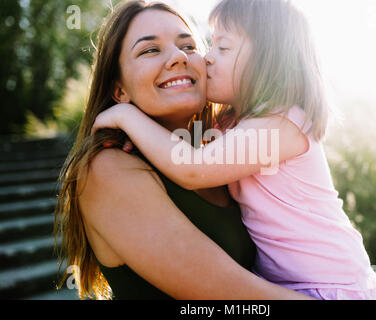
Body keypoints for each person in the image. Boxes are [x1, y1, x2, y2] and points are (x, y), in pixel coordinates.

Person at [92, 0, 376, 300]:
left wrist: (126, 118)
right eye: (150, 50)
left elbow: (193, 167)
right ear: (119, 90)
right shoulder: (229, 128)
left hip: (328, 287)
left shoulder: (281, 122)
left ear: (267, 62)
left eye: (221, 48)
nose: (204, 59)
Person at [54, 0, 313, 300]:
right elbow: (235, 295)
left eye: (189, 47)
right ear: (119, 90)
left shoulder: (219, 153)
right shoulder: (107, 169)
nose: (178, 57)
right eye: (150, 50)